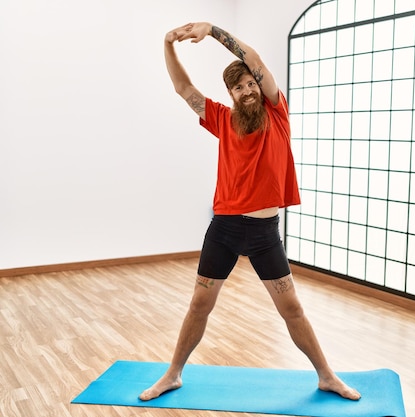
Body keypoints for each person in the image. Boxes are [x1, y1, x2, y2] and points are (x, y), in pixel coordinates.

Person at [138, 21, 361, 402]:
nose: (246, 90)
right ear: (232, 94)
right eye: (238, 87)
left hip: (263, 234)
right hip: (223, 229)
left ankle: (326, 375)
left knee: (291, 307)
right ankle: (173, 374)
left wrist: (211, 31)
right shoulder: (222, 120)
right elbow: (183, 89)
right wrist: (168, 43)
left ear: (260, 86)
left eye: (250, 83)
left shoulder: (277, 113)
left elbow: (252, 58)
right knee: (199, 303)